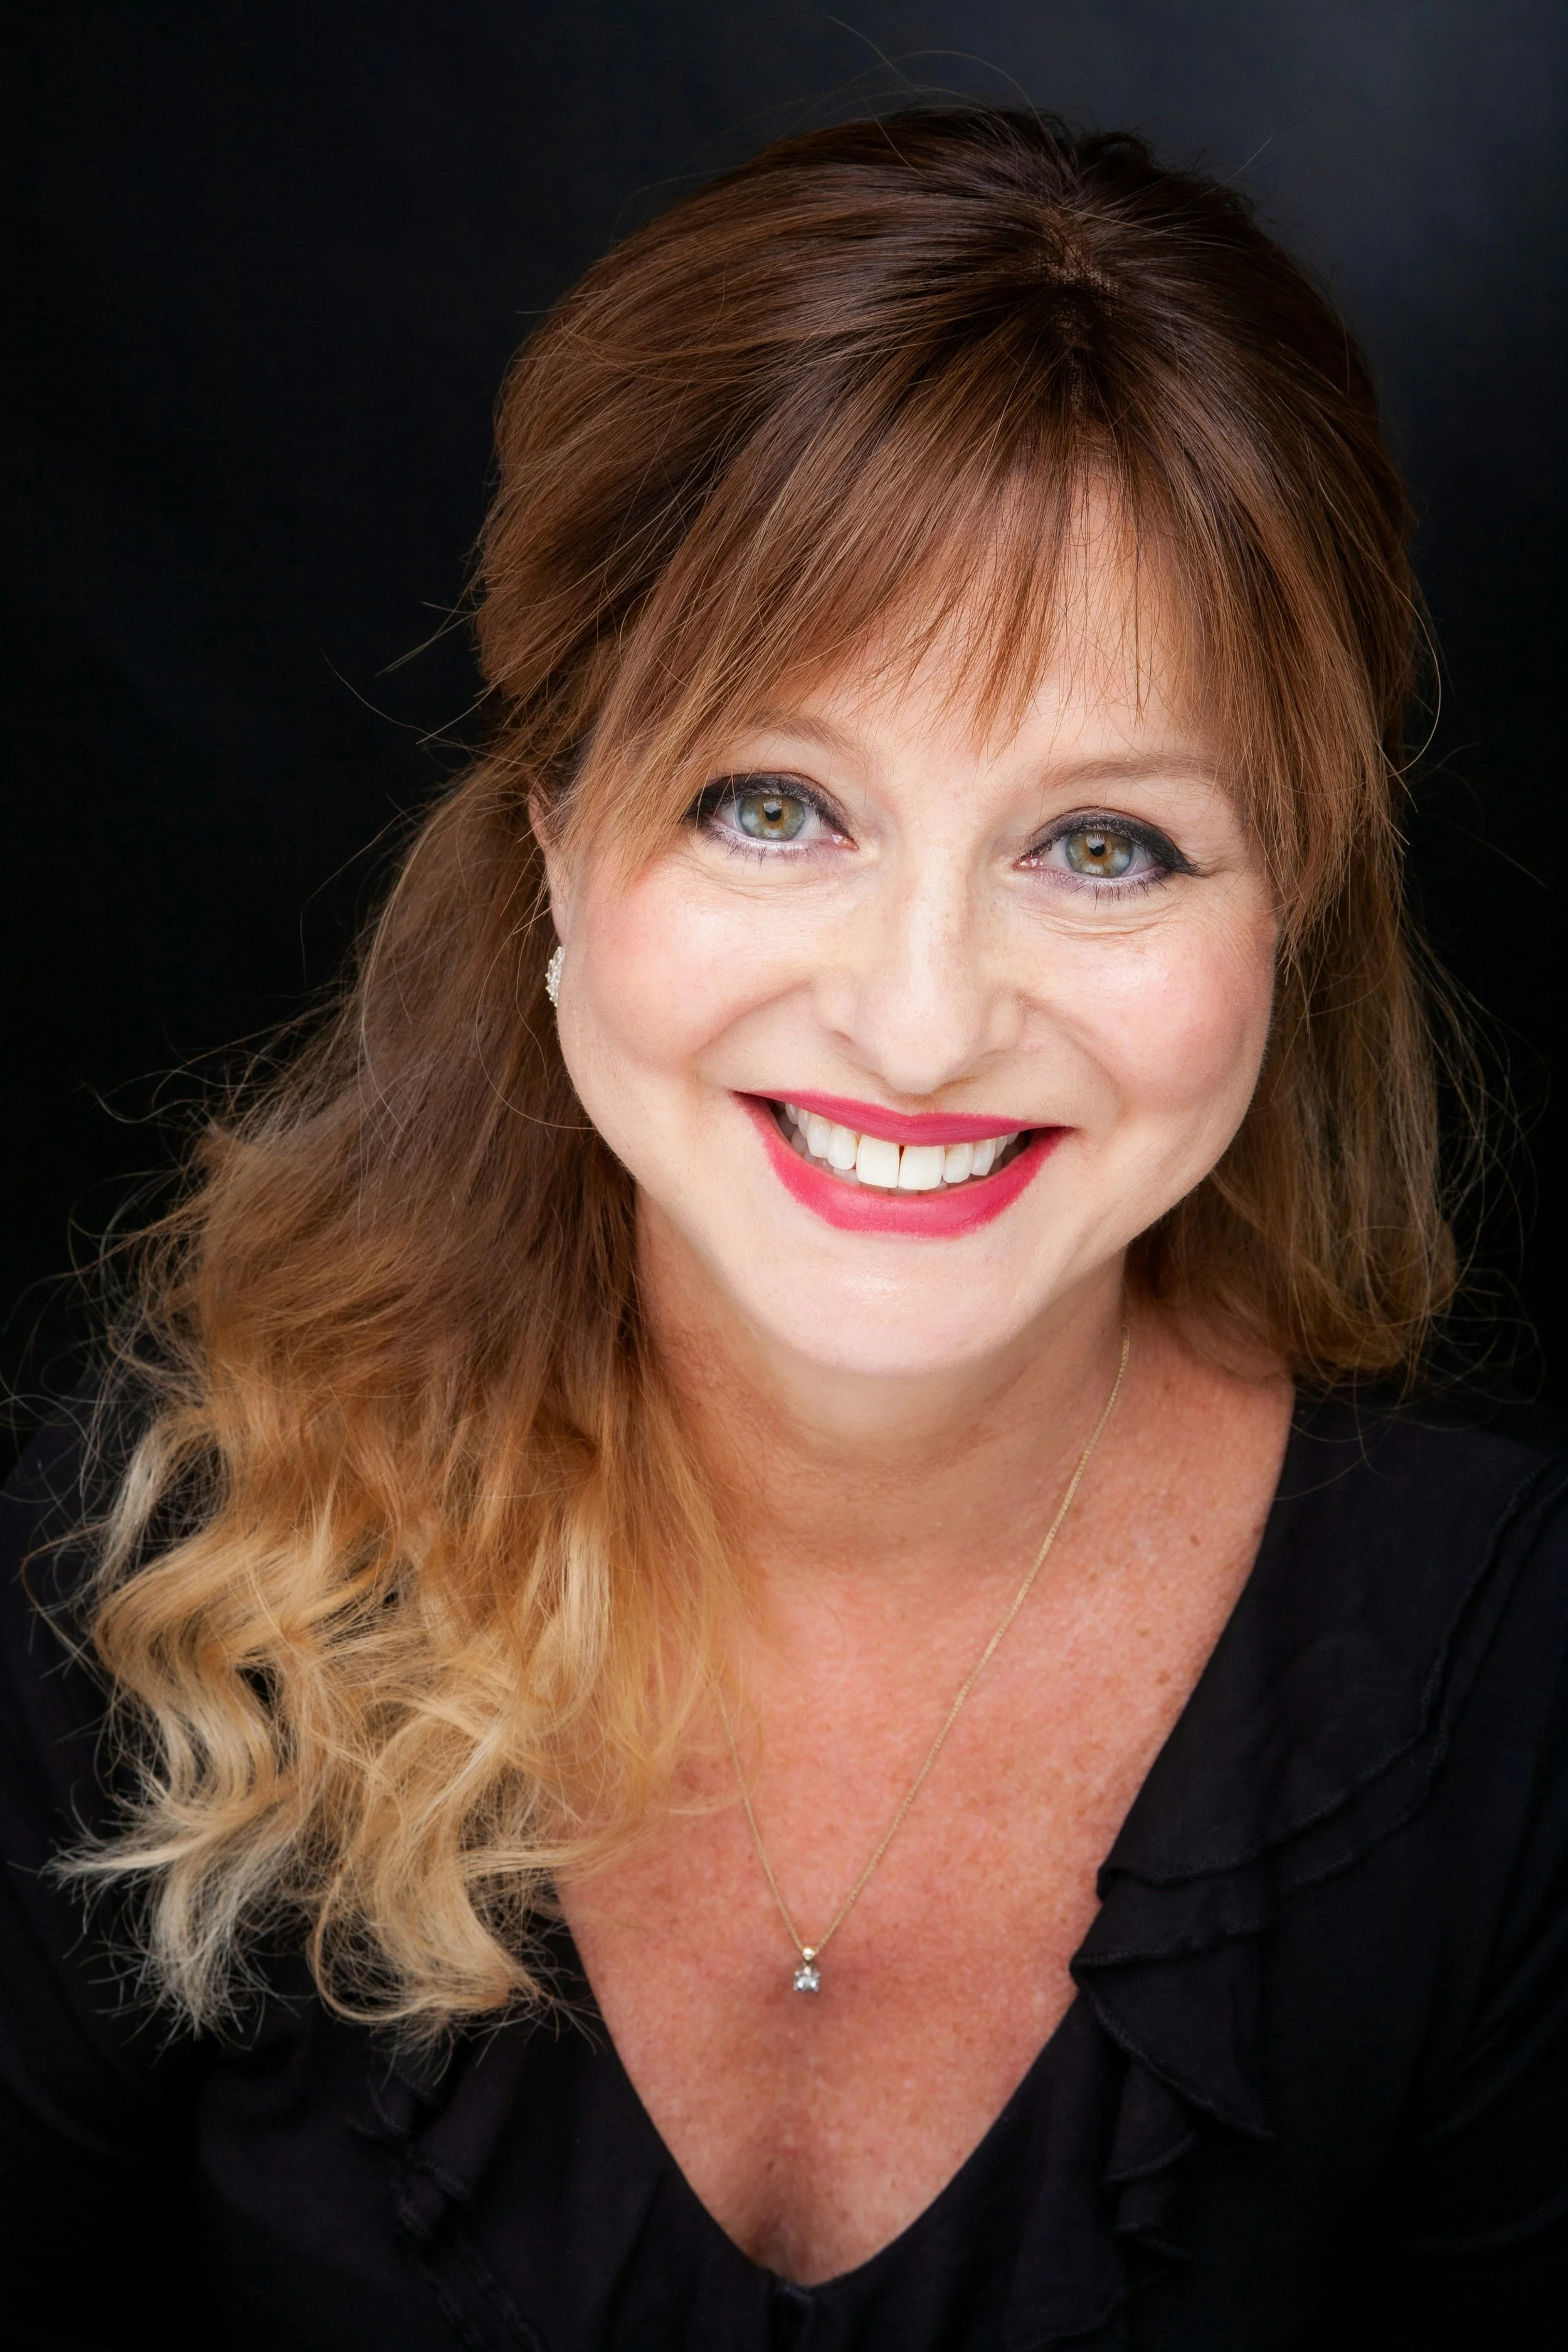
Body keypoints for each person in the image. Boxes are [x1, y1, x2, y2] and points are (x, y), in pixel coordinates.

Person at [2, 108, 1565, 2351]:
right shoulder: (157, 1569)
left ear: (1288, 914)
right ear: (556, 841)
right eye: (772, 804)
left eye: (1105, 843)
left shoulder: (1510, 1697)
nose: (917, 1023)